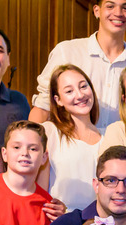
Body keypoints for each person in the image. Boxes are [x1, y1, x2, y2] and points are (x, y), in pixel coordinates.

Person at [31, 0, 126, 130]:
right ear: (97, 11)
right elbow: (43, 107)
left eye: (125, 8)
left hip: (116, 150)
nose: (118, 13)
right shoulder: (67, 51)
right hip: (68, 146)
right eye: (110, 6)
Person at [40, 65, 103, 211]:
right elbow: (40, 192)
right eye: (69, 91)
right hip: (59, 223)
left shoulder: (108, 137)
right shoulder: (50, 132)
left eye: (83, 86)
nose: (80, 95)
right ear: (58, 100)